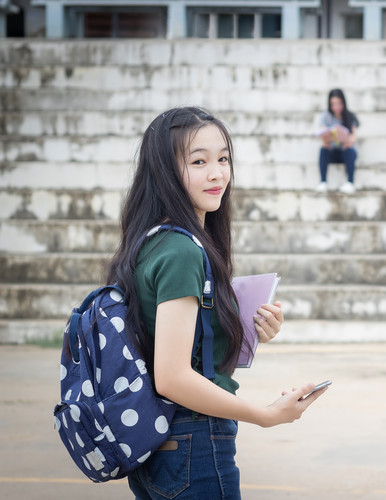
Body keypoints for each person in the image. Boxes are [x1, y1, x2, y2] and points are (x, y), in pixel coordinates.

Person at [107, 107, 327, 499]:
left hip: (162, 444)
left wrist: (246, 330)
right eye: (199, 161)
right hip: (194, 440)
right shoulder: (181, 252)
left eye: (223, 158)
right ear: (164, 171)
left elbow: (180, 348)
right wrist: (266, 414)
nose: (217, 173)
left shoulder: (153, 240)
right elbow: (173, 377)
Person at [316, 88, 359, 194]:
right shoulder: (326, 116)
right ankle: (323, 182)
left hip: (345, 152)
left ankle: (350, 182)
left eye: (338, 103)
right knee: (324, 147)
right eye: (333, 104)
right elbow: (322, 134)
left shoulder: (350, 116)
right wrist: (329, 137)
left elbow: (353, 137)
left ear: (343, 103)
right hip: (332, 151)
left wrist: (346, 140)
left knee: (349, 148)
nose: (336, 107)